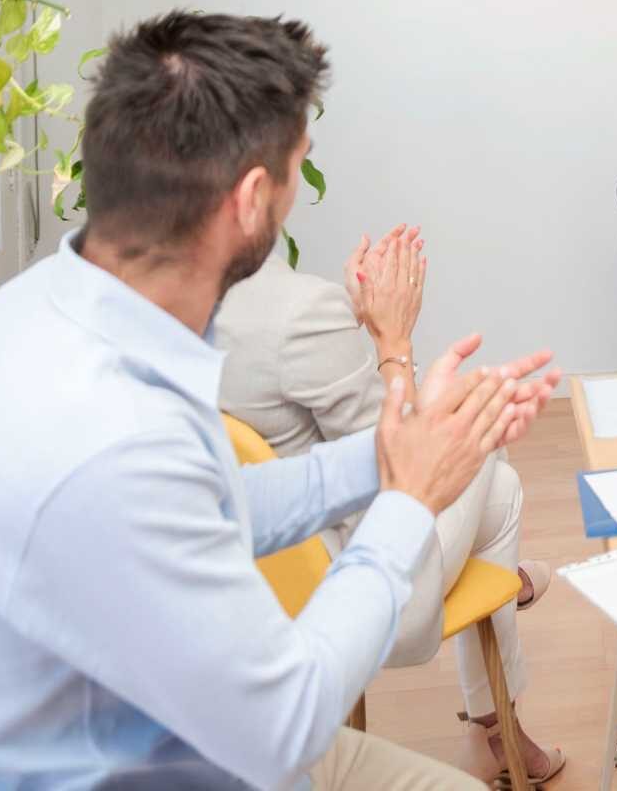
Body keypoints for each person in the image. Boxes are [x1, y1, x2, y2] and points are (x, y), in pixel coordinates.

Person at [0, 12, 560, 790]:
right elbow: (284, 727)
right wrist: (408, 499)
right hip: (201, 754)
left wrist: (392, 451)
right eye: (299, 166)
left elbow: (219, 501)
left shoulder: (48, 310)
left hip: (177, 721)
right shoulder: (113, 439)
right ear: (254, 198)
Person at [214, 224, 564, 783]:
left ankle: (493, 729)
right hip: (363, 589)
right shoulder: (302, 311)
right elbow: (402, 459)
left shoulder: (173, 303)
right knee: (493, 465)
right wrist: (392, 343)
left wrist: (347, 316)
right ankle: (497, 721)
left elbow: (271, 371)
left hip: (259, 578)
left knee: (489, 469)